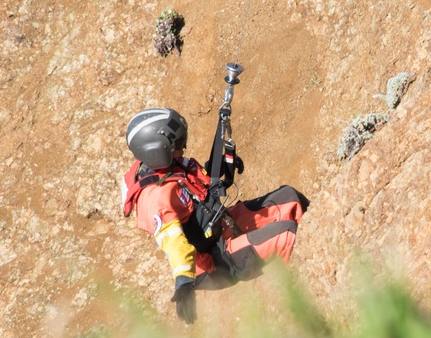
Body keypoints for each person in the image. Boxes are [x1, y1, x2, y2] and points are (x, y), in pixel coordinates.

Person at [120, 107, 310, 324]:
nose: (183, 146)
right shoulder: (156, 199)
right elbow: (175, 244)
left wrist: (222, 168)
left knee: (290, 198)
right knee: (285, 233)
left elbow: (200, 187)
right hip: (216, 261)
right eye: (178, 143)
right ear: (158, 150)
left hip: (222, 224)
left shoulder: (171, 167)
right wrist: (184, 284)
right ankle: (298, 306)